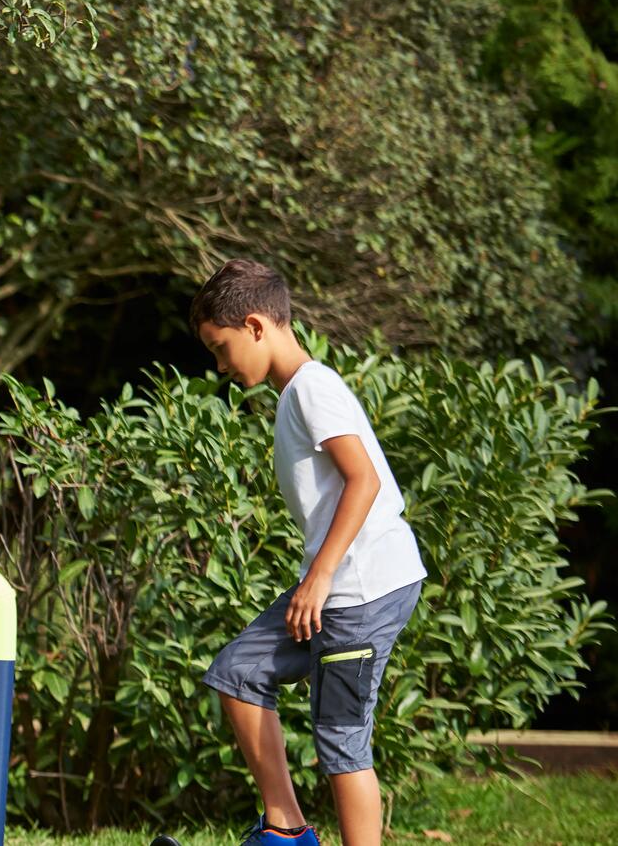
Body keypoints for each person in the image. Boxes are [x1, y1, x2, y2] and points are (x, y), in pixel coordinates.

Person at [191, 260, 427, 846]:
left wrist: (319, 578)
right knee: (238, 672)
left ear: (254, 326)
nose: (221, 366)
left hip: (361, 589)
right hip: (335, 587)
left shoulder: (312, 389)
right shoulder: (296, 394)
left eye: (221, 349)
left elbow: (363, 481)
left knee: (341, 741)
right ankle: (286, 831)